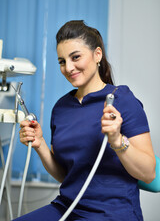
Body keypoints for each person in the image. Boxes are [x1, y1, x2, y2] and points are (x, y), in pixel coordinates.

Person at [13, 20, 156, 221]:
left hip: (112, 213)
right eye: (62, 61)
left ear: (98, 55)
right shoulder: (61, 108)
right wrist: (40, 144)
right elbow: (66, 175)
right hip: (67, 207)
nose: (68, 67)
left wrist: (117, 141)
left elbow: (149, 174)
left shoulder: (123, 101)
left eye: (75, 57)